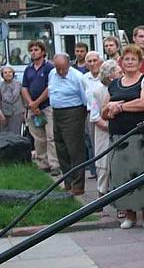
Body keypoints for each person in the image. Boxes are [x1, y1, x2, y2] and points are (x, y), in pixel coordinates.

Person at [102, 44, 144, 229]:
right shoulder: (113, 83)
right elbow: (104, 111)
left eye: (133, 59)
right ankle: (129, 214)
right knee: (122, 175)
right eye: (126, 59)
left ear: (139, 62)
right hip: (118, 136)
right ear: (122, 62)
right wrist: (109, 109)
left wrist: (119, 106)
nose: (129, 62)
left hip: (142, 137)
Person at [48, 53, 88, 195]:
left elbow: (85, 99)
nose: (60, 72)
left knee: (74, 149)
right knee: (61, 147)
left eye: (63, 69)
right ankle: (68, 181)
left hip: (73, 112)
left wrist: (82, 114)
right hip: (57, 112)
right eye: (58, 68)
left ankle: (78, 184)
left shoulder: (77, 77)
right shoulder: (52, 74)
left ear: (69, 65)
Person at [21, 40, 59, 174]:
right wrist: (31, 104)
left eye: (36, 50)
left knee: (51, 136)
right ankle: (43, 163)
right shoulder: (28, 69)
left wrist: (37, 102)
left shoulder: (49, 67)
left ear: (43, 52)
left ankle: (54, 164)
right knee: (38, 137)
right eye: (31, 50)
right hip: (32, 108)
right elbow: (24, 88)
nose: (33, 52)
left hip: (47, 106)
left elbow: (50, 87)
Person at [91, 60, 121, 198]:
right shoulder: (98, 90)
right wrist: (110, 127)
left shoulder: (122, 87)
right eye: (119, 72)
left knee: (118, 165)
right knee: (103, 165)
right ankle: (101, 196)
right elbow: (95, 116)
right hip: (104, 133)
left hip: (120, 133)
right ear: (110, 76)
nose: (122, 74)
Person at [81, 51, 102, 179]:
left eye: (95, 60)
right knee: (91, 142)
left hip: (103, 112)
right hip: (90, 113)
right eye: (89, 61)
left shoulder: (104, 75)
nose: (93, 63)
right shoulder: (84, 78)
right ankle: (95, 171)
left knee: (101, 143)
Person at [1, 66, 26, 135]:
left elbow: (23, 98)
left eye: (10, 72)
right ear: (2, 75)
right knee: (4, 135)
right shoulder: (0, 85)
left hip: (17, 113)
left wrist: (25, 112)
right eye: (5, 73)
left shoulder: (18, 84)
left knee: (16, 134)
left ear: (13, 73)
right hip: (4, 113)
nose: (8, 74)